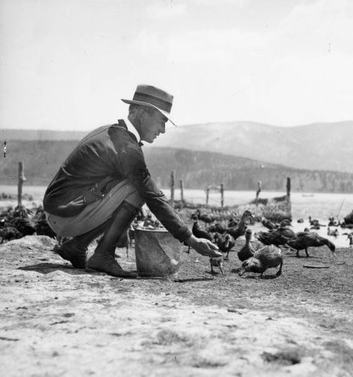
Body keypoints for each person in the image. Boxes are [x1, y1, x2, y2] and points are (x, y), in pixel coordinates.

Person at [43, 84, 221, 278]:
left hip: (60, 210)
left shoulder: (112, 132)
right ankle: (103, 255)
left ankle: (77, 246)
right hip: (64, 216)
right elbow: (153, 196)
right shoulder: (126, 147)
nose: (162, 130)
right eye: (161, 121)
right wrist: (191, 239)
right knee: (136, 190)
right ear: (143, 114)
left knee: (131, 187)